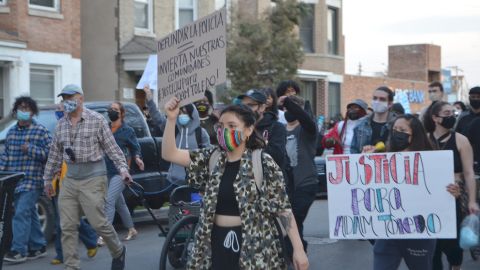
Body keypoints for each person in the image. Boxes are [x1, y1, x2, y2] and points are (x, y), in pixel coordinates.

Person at [161, 97, 309, 269]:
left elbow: (283, 209)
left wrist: (298, 249)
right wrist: (171, 119)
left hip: (255, 248)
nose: (225, 131)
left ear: (248, 130)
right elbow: (169, 154)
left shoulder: (262, 162)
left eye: (232, 126)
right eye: (221, 126)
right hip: (213, 245)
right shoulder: (212, 158)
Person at [43, 84, 130, 270]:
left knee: (98, 223)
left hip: (93, 177)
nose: (66, 102)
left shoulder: (97, 120)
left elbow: (113, 149)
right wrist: (47, 180)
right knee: (67, 226)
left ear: (80, 98)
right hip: (70, 180)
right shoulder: (61, 125)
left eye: (70, 97)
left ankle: (118, 250)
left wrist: (123, 169)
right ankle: (71, 266)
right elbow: (54, 155)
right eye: (64, 98)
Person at [364, 114, 450, 270]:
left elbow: (441, 192)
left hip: (419, 233)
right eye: (395, 129)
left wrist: (452, 192)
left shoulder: (431, 161)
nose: (397, 132)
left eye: (402, 130)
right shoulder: (383, 157)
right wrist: (365, 161)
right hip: (388, 231)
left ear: (415, 134)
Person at [424, 101, 479, 270]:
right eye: (447, 113)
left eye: (453, 113)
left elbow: (469, 173)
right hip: (429, 200)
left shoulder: (461, 141)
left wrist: (471, 200)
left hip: (453, 198)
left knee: (453, 248)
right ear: (435, 118)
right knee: (433, 248)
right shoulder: (424, 140)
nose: (452, 117)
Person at [0, 96, 51, 264]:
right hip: (14, 181)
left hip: (32, 180)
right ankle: (38, 246)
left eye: (27, 108)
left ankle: (18, 250)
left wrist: (31, 149)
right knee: (30, 213)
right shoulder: (12, 132)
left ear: (32, 112)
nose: (24, 111)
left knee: (21, 213)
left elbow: (50, 155)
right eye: (20, 108)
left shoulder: (41, 131)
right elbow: (6, 155)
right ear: (15, 111)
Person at [49, 103, 98, 265]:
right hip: (58, 183)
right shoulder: (57, 129)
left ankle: (63, 253)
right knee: (64, 220)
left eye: (61, 110)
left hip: (73, 180)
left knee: (66, 220)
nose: (58, 113)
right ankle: (88, 242)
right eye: (56, 111)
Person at [144, 85, 211, 187]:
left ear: (192, 115)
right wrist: (149, 97)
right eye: (179, 112)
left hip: (196, 181)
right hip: (173, 180)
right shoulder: (173, 129)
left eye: (184, 112)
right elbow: (157, 117)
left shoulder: (201, 133)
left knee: (195, 203)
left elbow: (208, 158)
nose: (181, 115)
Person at [98, 102, 145, 246]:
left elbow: (135, 148)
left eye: (115, 109)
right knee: (120, 203)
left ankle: (105, 235)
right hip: (105, 170)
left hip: (121, 171)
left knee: (109, 201)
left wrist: (137, 158)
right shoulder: (104, 128)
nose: (112, 111)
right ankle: (131, 229)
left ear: (122, 113)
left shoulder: (127, 130)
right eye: (110, 109)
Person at [279, 95, 318, 255]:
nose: (289, 111)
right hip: (286, 185)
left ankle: (294, 255)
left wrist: (288, 101)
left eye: (292, 108)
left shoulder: (307, 129)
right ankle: (300, 252)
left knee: (293, 220)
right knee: (292, 223)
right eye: (286, 108)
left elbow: (306, 119)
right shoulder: (279, 130)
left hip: (306, 183)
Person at [239, 89, 286, 169]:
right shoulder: (239, 128)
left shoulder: (276, 127)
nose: (245, 109)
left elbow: (277, 157)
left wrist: (257, 140)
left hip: (268, 177)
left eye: (250, 105)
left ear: (262, 107)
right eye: (243, 105)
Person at [351, 86, 396, 154]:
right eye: (375, 98)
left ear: (390, 104)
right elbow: (354, 151)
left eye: (382, 99)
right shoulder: (361, 125)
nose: (377, 102)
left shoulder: (397, 124)